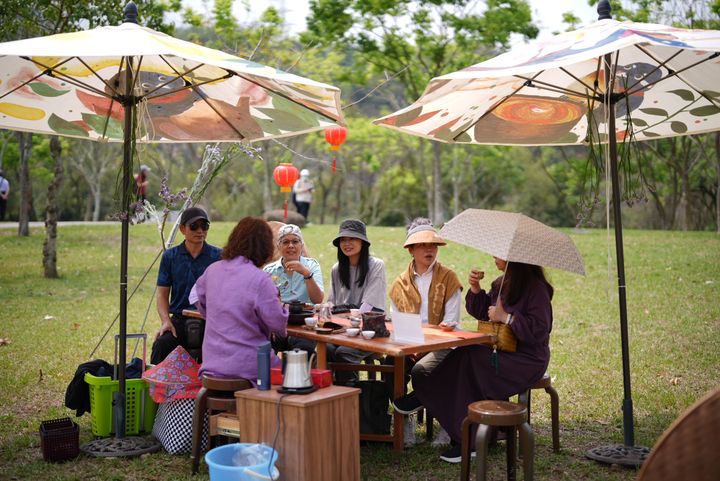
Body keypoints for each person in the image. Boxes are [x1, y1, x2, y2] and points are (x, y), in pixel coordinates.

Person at [406, 256, 554, 463]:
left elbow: (539, 331)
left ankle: (465, 436)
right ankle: (462, 430)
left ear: (515, 258)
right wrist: (475, 289)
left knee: (470, 358)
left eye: (500, 254)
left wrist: (507, 318)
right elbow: (485, 313)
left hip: (526, 360)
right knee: (468, 353)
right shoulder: (503, 282)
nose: (494, 257)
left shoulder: (536, 289)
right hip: (501, 351)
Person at [387, 218, 462, 443]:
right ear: (411, 249)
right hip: (409, 345)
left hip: (444, 345)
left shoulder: (449, 278)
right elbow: (396, 323)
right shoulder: (400, 283)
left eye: (433, 245)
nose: (429, 249)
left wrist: (427, 346)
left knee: (422, 370)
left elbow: (451, 321)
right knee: (390, 366)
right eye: (422, 244)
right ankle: (405, 423)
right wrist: (410, 346)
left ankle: (447, 422)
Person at [195, 217, 288, 382]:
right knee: (296, 375)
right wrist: (284, 308)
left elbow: (199, 303)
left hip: (211, 367)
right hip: (250, 368)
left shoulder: (211, 271)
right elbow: (278, 325)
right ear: (265, 246)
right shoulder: (261, 279)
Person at [151, 207, 222, 365]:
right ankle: (155, 387)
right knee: (161, 344)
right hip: (179, 320)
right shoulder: (170, 256)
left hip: (210, 321)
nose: (200, 231)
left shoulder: (218, 256)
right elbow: (162, 294)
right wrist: (165, 322)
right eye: (194, 226)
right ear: (183, 229)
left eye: (204, 226)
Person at [326, 219, 387, 385]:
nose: (347, 243)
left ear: (363, 242)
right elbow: (332, 302)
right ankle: (334, 397)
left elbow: (369, 305)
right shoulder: (337, 269)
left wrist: (348, 321)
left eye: (352, 239)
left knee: (343, 353)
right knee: (326, 349)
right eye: (343, 240)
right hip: (343, 330)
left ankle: (353, 398)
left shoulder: (376, 265)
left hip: (369, 329)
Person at [263, 223, 323, 354]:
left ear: (301, 245)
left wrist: (306, 274)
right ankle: (269, 374)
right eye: (285, 242)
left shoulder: (311, 266)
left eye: (295, 241)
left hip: (305, 325)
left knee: (303, 347)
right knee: (263, 345)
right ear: (279, 246)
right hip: (278, 325)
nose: (291, 246)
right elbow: (265, 303)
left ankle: (299, 373)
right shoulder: (269, 270)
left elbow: (318, 299)